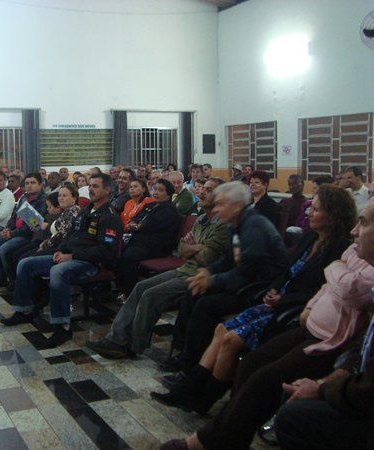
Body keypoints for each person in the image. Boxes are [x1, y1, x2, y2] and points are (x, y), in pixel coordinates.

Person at [159, 202, 373, 450]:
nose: (308, 213)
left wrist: (293, 295)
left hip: (292, 313)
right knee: (229, 340)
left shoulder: (333, 246)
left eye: (316, 209)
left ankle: (207, 411)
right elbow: (294, 274)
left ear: (333, 214)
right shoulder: (310, 239)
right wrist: (279, 291)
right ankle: (196, 393)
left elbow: (343, 288)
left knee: (231, 341)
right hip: (287, 307)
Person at [86, 178, 228, 359]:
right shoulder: (200, 220)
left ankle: (132, 346)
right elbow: (181, 250)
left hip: (198, 276)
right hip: (184, 268)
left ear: (221, 196)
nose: (201, 192)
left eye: (208, 190)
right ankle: (115, 338)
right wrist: (195, 248)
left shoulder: (222, 225)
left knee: (150, 294)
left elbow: (206, 258)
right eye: (203, 189)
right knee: (140, 287)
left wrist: (191, 248)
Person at [162, 181, 287, 373]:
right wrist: (208, 272)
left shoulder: (255, 227)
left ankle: (192, 364)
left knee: (206, 305)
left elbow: (248, 271)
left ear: (236, 206)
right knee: (192, 292)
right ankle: (183, 352)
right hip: (243, 281)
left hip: (258, 290)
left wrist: (212, 281)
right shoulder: (237, 224)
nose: (216, 209)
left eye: (220, 204)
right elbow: (229, 259)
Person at [275, 206, 374, 449]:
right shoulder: (314, 239)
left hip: (333, 344)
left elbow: (349, 288)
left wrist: (322, 388)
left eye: (363, 223)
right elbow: (327, 287)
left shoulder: (342, 251)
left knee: (292, 415)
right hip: (316, 329)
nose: (354, 231)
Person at [1, 173, 123, 347]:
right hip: (70, 255)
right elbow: (70, 235)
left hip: (90, 263)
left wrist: (71, 256)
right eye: (90, 186)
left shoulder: (110, 217)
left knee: (58, 271)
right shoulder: (87, 210)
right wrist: (60, 250)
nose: (90, 189)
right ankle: (24, 311)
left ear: (108, 189)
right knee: (25, 264)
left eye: (95, 186)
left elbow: (105, 251)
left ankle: (62, 327)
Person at [115, 179, 181, 299]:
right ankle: (119, 286)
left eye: (160, 190)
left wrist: (137, 227)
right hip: (141, 241)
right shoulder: (150, 205)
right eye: (155, 189)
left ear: (168, 194)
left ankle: (130, 294)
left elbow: (152, 226)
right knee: (116, 250)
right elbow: (136, 217)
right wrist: (133, 223)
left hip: (157, 245)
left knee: (128, 257)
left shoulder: (170, 210)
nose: (156, 192)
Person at [0, 173, 47, 288]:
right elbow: (14, 216)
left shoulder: (43, 200)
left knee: (4, 249)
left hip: (28, 235)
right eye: (27, 183)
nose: (29, 185)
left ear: (40, 185)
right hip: (15, 231)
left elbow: (33, 225)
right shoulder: (24, 197)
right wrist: (7, 228)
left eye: (33, 183)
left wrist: (12, 233)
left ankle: (14, 281)